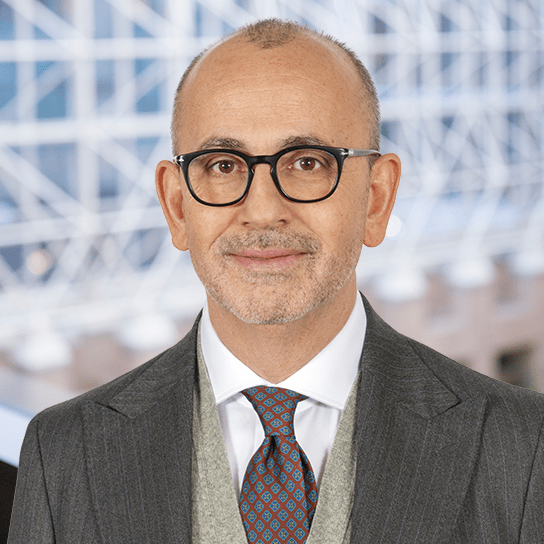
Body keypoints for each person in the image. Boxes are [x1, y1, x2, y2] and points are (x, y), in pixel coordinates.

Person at [8, 18, 544, 544]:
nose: (262, 211)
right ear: (176, 205)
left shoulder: (521, 448)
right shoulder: (62, 452)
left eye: (307, 163)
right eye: (222, 166)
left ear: (376, 199)